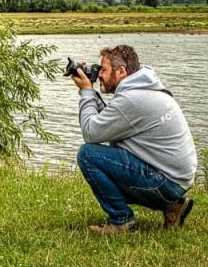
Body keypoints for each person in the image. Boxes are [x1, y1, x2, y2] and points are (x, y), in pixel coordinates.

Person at [70, 44, 197, 234]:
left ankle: (121, 221)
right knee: (107, 159)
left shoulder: (131, 99)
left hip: (165, 182)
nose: (100, 75)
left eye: (103, 69)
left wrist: (86, 92)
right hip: (177, 179)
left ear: (121, 71)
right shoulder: (145, 89)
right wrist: (93, 94)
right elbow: (111, 120)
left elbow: (91, 132)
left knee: (88, 155)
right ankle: (173, 206)